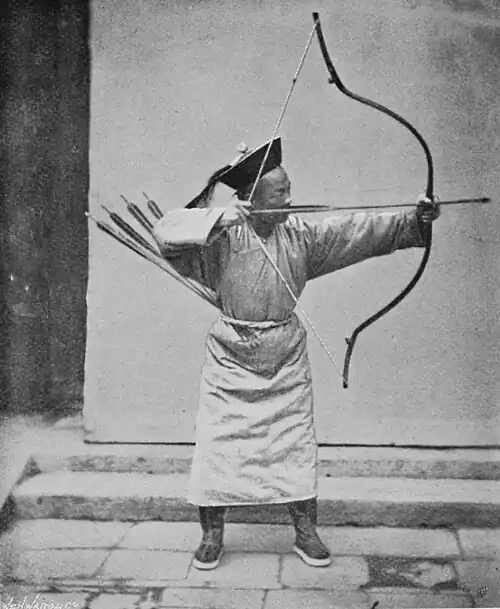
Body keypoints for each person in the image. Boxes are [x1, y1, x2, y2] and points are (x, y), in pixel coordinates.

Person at [152, 138, 440, 570]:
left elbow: (357, 230)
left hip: (284, 354)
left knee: (295, 445)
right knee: (216, 446)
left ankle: (305, 532)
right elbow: (166, 230)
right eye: (279, 194)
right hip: (231, 355)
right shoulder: (219, 237)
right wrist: (222, 217)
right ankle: (211, 536)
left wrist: (414, 219)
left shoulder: (301, 235)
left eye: (289, 191)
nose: (289, 200)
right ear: (250, 199)